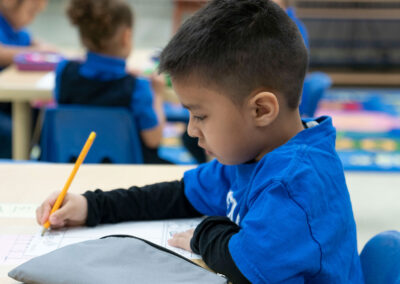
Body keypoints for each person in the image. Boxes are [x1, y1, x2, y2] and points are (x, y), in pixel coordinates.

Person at [36, 0, 364, 283]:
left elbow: (246, 265)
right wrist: (93, 206)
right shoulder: (252, 154)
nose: (191, 130)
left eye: (200, 115)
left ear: (261, 110)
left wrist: (204, 233)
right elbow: (181, 195)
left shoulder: (296, 182)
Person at [54, 0, 166, 163]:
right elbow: (154, 139)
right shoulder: (137, 87)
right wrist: (157, 94)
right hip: (126, 177)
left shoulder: (63, 71)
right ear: (126, 36)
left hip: (74, 167)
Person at [0, 0, 50, 158]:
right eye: (31, 12)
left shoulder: (15, 30)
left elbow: (36, 43)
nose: (32, 18)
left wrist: (45, 49)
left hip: (7, 101)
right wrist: (36, 51)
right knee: (12, 133)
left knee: (40, 116)